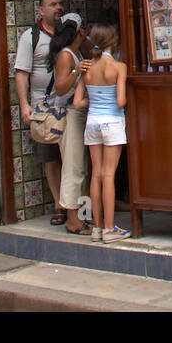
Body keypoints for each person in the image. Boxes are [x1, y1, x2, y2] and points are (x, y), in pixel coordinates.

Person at [13, 0, 67, 225]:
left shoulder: (68, 33)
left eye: (60, 4)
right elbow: (21, 73)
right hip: (43, 110)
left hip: (68, 106)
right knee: (50, 159)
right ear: (41, 11)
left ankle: (72, 203)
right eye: (53, 5)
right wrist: (24, 105)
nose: (58, 8)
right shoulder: (30, 37)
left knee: (72, 157)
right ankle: (58, 204)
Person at [73, 23, 131, 242]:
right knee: (109, 175)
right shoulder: (119, 67)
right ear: (113, 42)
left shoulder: (86, 68)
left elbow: (77, 102)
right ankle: (110, 229)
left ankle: (97, 228)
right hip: (112, 123)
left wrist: (93, 99)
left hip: (92, 123)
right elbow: (120, 100)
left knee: (95, 174)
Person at [48, 12, 94, 235]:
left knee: (81, 166)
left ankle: (83, 215)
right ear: (81, 31)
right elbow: (60, 88)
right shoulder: (66, 56)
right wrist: (78, 70)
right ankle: (72, 220)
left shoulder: (77, 52)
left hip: (78, 114)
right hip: (68, 115)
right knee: (73, 166)